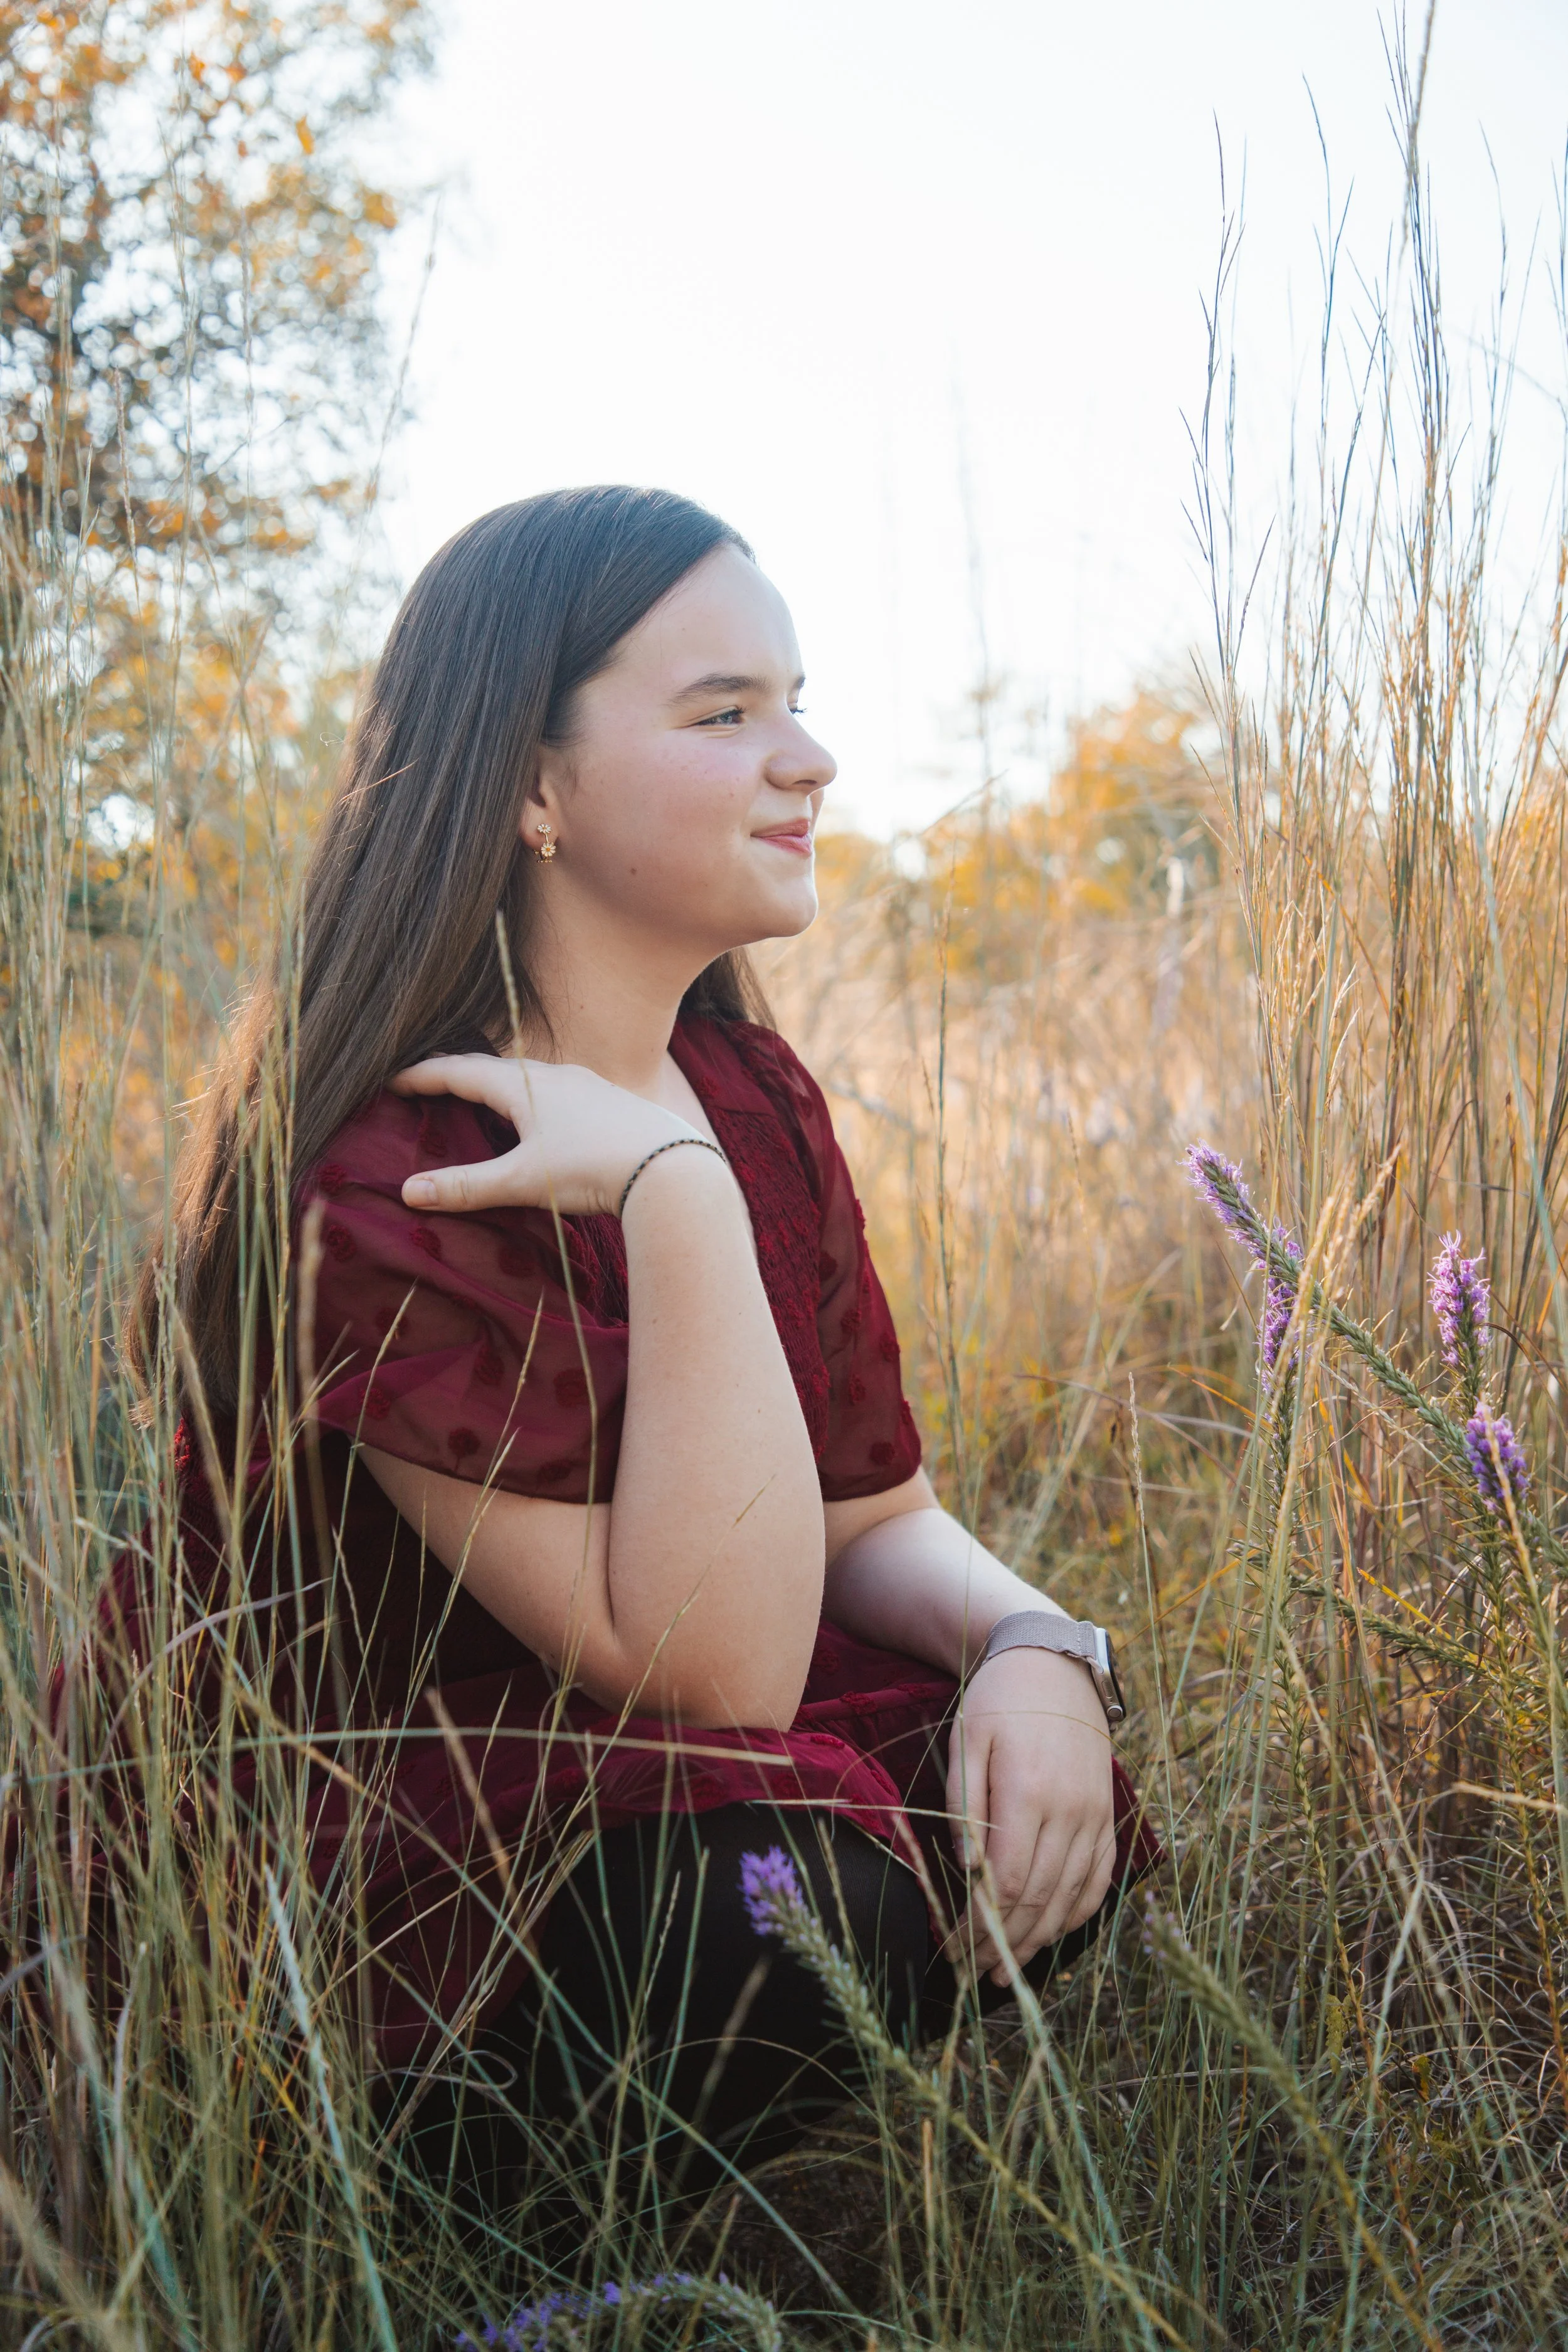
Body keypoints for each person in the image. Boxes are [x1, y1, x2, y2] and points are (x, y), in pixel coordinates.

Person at [105, 486, 1158, 2204]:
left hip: (632, 1775)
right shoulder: (388, 1168)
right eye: (724, 712)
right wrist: (674, 1203)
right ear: (528, 783)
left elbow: (868, 1519)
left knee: (1031, 1785)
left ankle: (686, 2189)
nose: (805, 757)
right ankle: (423, 2214)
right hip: (372, 1846)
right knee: (775, 1905)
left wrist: (1042, 1648)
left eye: (797, 699)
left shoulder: (752, 1094)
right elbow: (713, 1668)